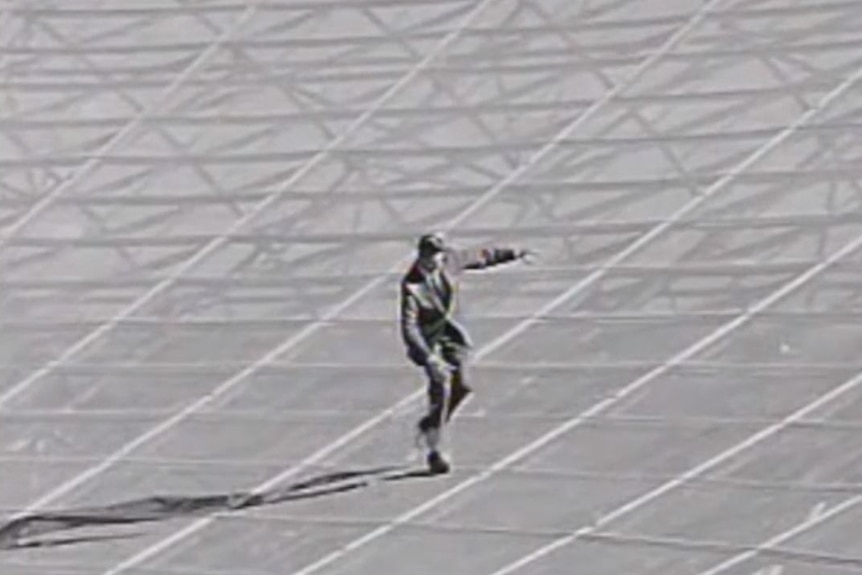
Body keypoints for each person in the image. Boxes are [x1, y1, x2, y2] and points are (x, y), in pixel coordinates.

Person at [399, 231, 534, 474]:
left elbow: (481, 256)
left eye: (435, 258)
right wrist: (428, 357)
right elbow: (409, 325)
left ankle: (431, 422)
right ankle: (436, 449)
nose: (431, 263)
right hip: (429, 343)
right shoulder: (411, 286)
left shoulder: (451, 260)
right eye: (426, 259)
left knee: (463, 385)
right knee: (441, 384)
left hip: (453, 335)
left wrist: (514, 253)